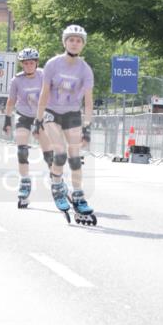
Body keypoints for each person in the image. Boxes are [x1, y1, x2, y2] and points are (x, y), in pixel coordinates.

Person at [34, 24, 95, 222]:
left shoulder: (85, 70)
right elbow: (44, 93)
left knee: (75, 158)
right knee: (60, 154)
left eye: (78, 41)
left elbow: (88, 100)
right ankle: (58, 188)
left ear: (83, 45)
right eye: (71, 40)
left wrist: (87, 126)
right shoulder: (53, 64)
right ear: (65, 42)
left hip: (72, 113)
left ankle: (78, 195)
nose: (75, 43)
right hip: (52, 112)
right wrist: (38, 119)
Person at [3, 48, 51, 207]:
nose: (29, 65)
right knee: (22, 150)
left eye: (32, 62)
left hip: (41, 115)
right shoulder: (16, 80)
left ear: (36, 63)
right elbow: (11, 101)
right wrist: (7, 119)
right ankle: (24, 182)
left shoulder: (44, 75)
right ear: (22, 64)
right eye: (26, 63)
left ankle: (57, 179)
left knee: (48, 154)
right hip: (23, 115)